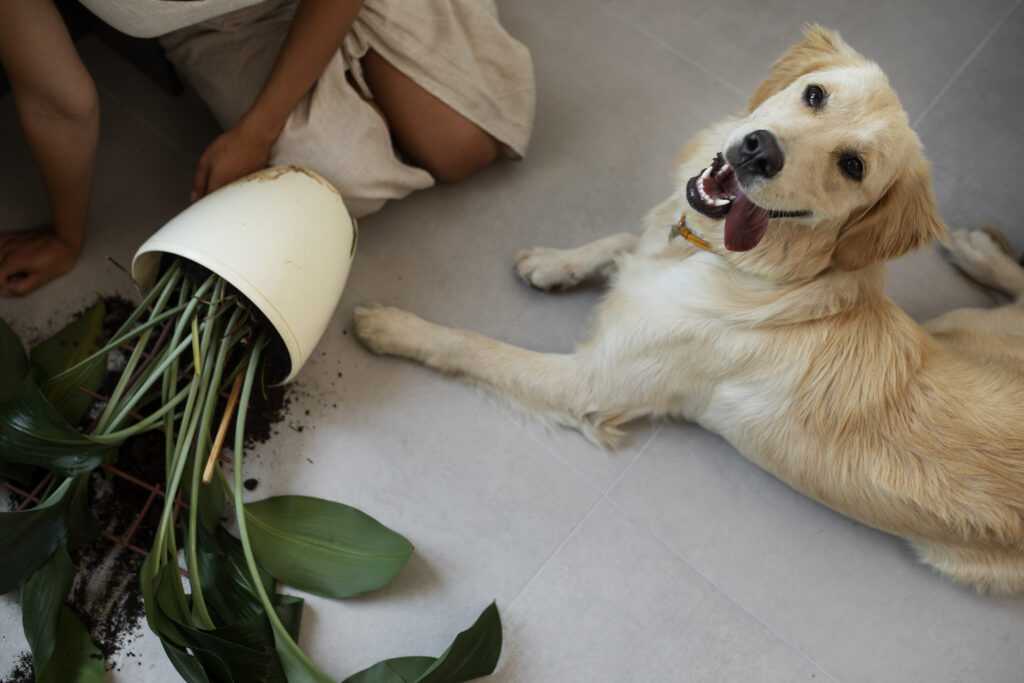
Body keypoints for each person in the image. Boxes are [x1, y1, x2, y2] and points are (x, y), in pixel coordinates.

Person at [0, 0, 535, 296]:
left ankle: (348, 60)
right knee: (343, 179)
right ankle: (346, 77)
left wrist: (257, 130)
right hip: (221, 23)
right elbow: (56, 100)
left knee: (462, 149)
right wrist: (66, 238)